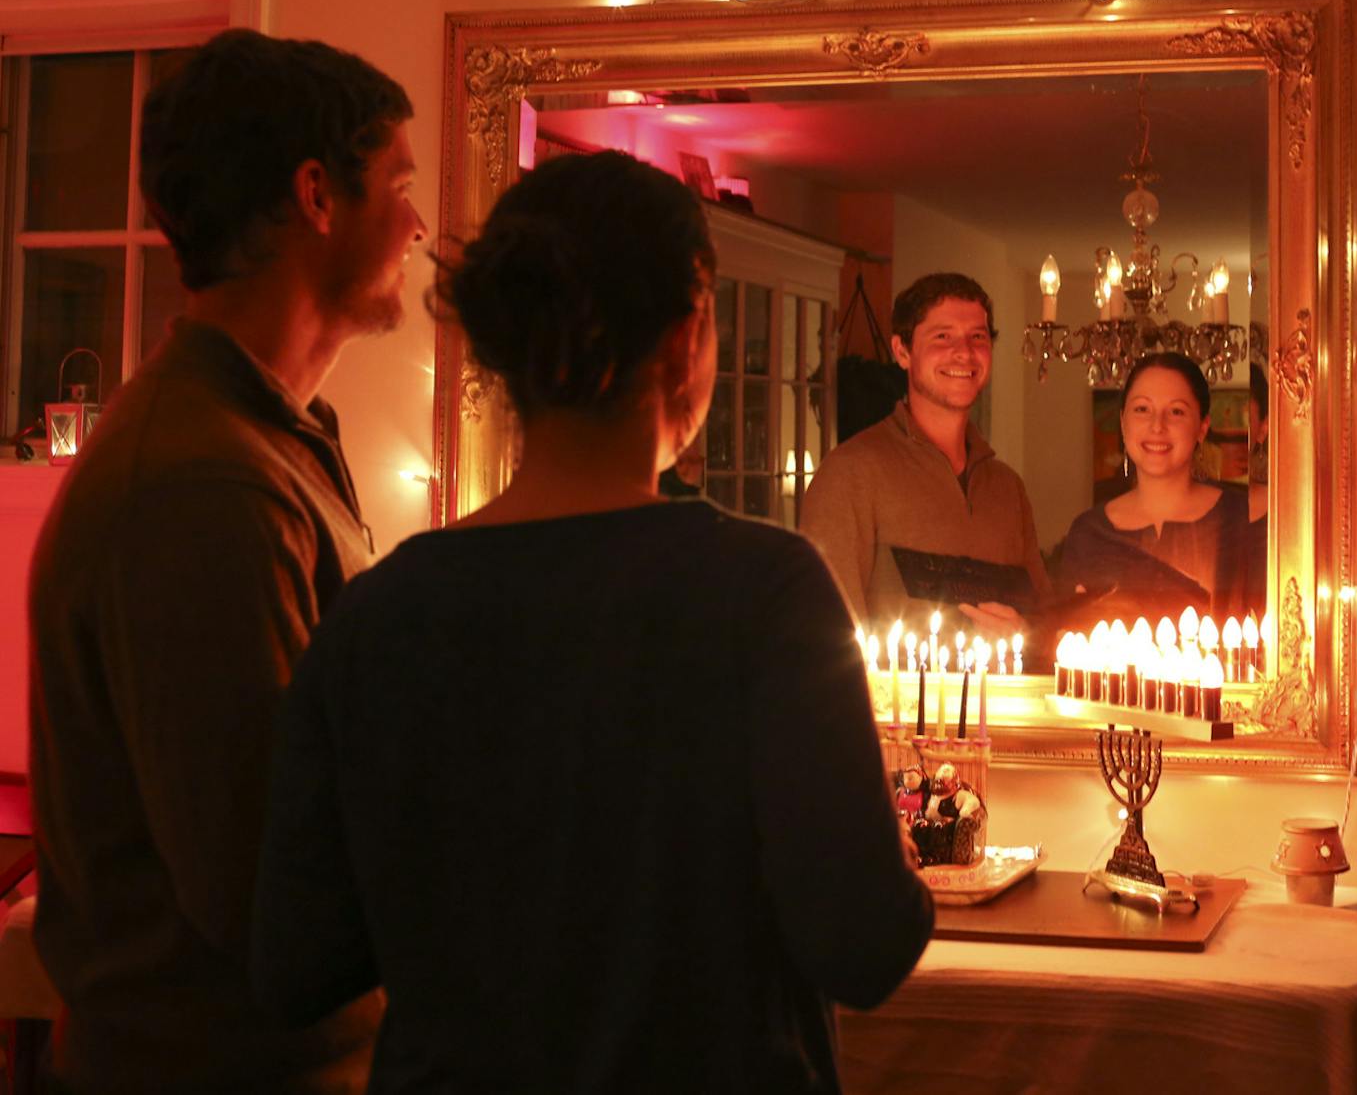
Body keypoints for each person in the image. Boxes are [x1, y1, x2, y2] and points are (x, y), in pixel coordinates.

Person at [249, 151, 933, 1092]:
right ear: (688, 339)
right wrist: (893, 856)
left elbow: (298, 964)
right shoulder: (764, 594)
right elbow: (863, 946)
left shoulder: (379, 611)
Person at [25, 28, 421, 1092]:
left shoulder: (272, 437)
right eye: (398, 185)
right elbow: (265, 895)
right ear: (316, 194)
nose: (419, 225)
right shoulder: (202, 488)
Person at [800, 273, 1050, 630]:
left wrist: (1027, 633)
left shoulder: (1007, 488)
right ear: (902, 351)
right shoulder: (851, 473)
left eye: (977, 337)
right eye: (942, 336)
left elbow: (1044, 620)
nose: (964, 352)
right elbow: (823, 631)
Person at [1054, 352, 1257, 625]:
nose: (1157, 426)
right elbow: (1065, 633)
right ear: (1123, 422)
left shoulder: (1242, 522)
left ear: (1202, 427)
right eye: (1142, 409)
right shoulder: (1089, 534)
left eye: (1176, 411)